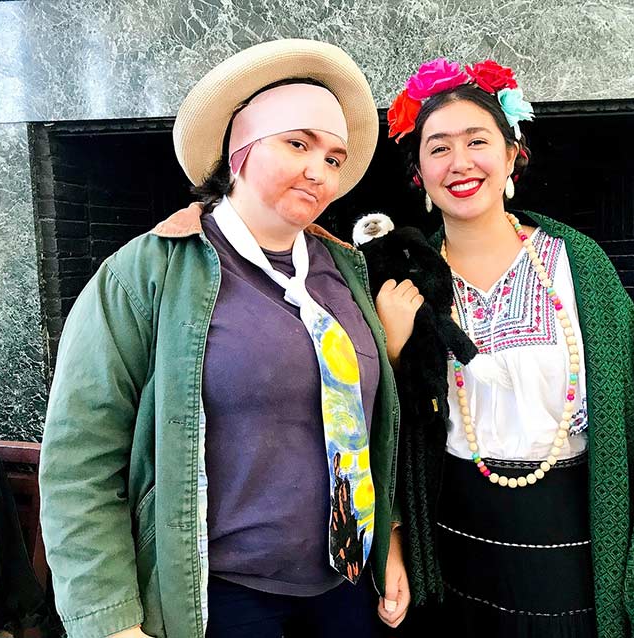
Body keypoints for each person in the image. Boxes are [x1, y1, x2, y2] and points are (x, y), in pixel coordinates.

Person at [39, 39, 414, 638]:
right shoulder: (147, 273)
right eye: (298, 143)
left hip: (346, 587)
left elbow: (359, 427)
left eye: (335, 158)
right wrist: (107, 621)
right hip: (220, 597)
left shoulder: (345, 272)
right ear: (238, 152)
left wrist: (389, 538)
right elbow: (80, 461)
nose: (320, 170)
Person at [380, 58, 634, 637]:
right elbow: (384, 431)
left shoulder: (577, 266)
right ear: (420, 175)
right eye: (438, 148)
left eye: (477, 141)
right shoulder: (405, 283)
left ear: (510, 154)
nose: (459, 163)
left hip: (575, 537)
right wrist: (395, 349)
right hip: (458, 541)